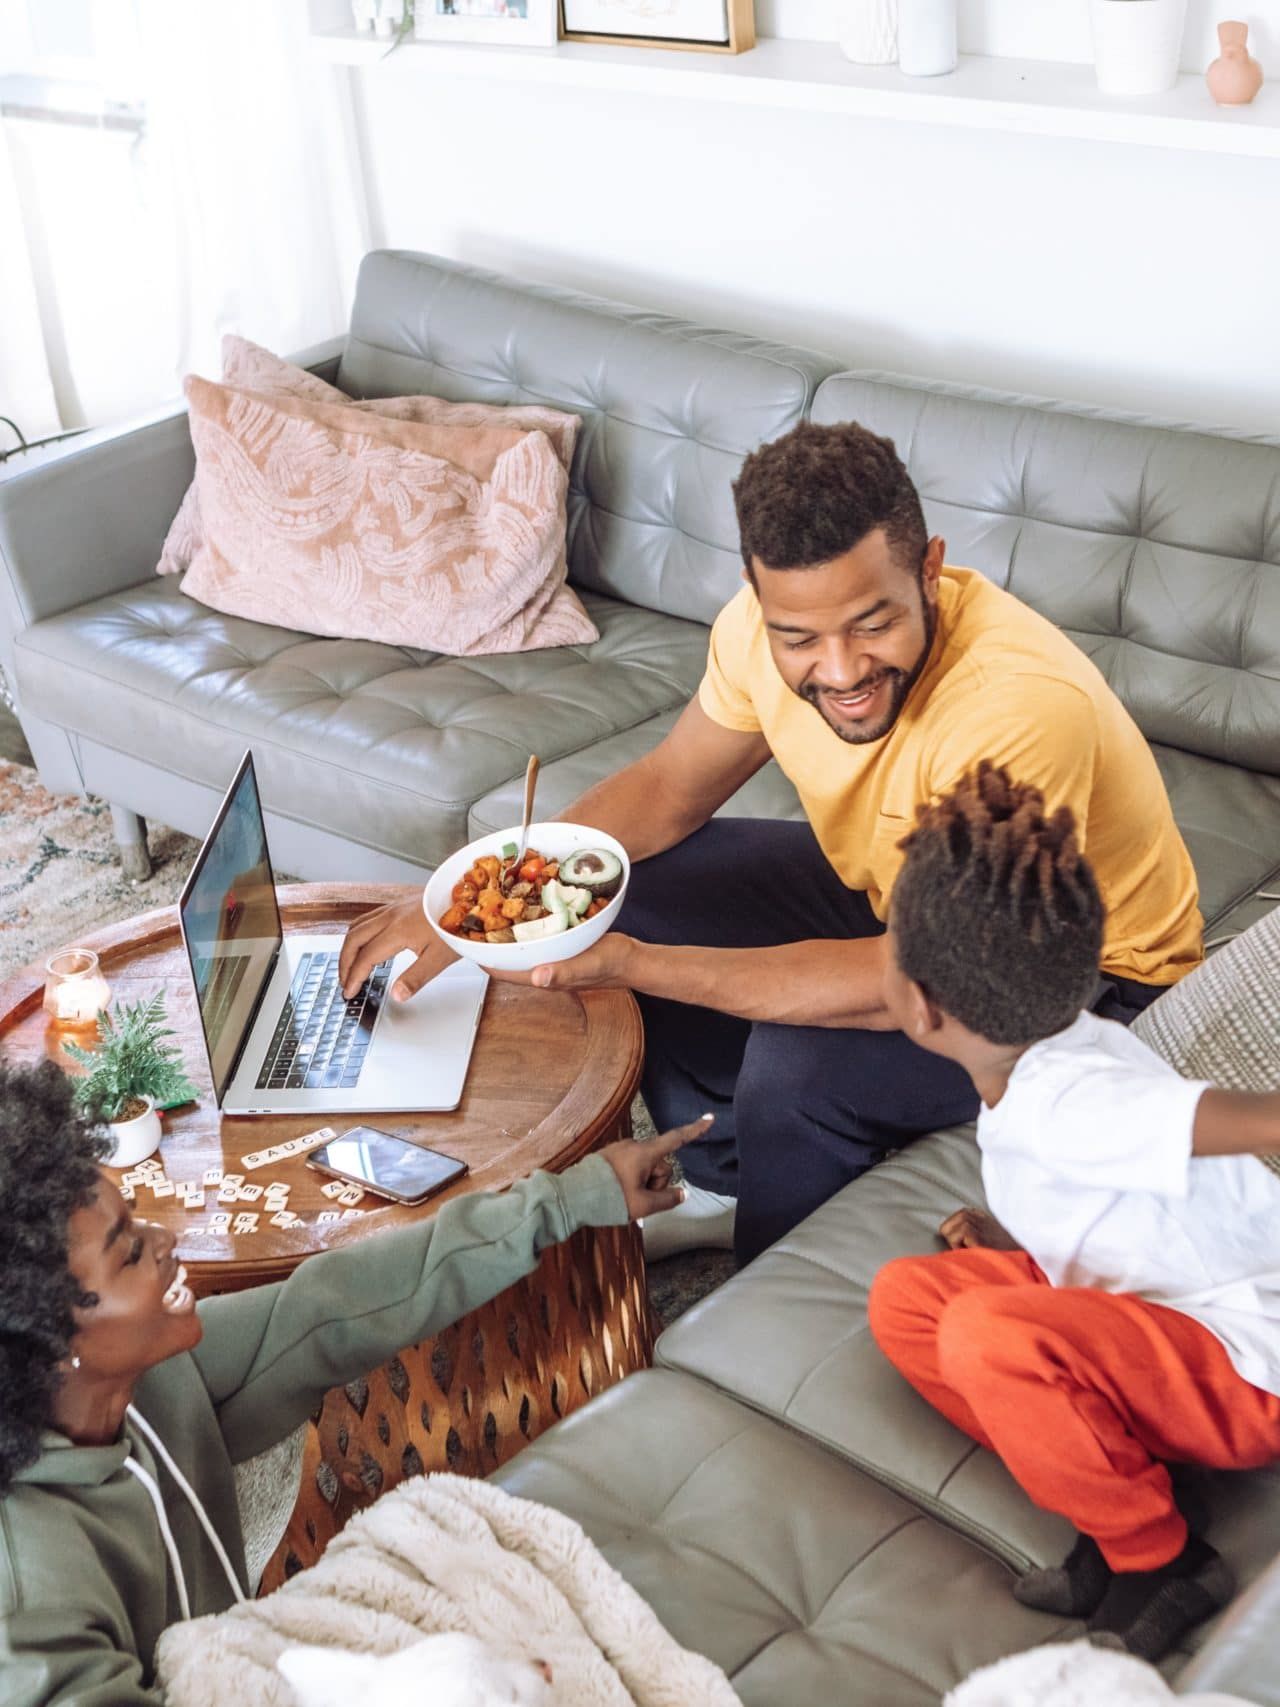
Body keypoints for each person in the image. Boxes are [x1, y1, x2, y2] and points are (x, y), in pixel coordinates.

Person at [340, 420, 1202, 1265]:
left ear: (930, 570)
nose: (841, 669)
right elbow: (671, 788)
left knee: (796, 1064)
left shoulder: (1011, 710)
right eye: (800, 636)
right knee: (627, 878)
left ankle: (767, 1270)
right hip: (900, 900)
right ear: (761, 603)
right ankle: (726, 1182)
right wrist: (477, 898)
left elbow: (917, 976)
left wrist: (636, 964)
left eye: (873, 623)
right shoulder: (754, 636)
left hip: (1076, 977)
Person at [0, 1057, 706, 1706]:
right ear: (46, 1341)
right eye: (129, 1251)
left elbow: (334, 1306)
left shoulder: (150, 1382)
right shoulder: (31, 1597)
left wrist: (571, 1198)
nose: (165, 1239)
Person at [868, 762, 1280, 1662]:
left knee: (985, 1335)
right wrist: (1018, 1242)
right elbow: (1111, 1202)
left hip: (1247, 1364)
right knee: (908, 1300)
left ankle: (1159, 1555)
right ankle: (1121, 1469)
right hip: (1157, 1315)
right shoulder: (1048, 1053)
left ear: (922, 1005)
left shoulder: (1070, 1101)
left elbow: (1229, 1121)